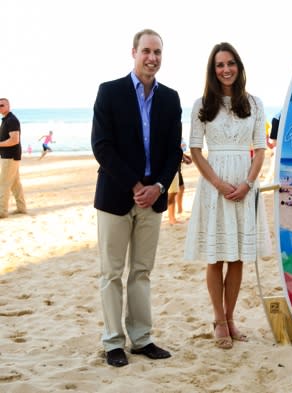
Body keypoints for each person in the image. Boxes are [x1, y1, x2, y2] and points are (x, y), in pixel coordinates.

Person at [91, 29, 182, 367]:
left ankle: (141, 338)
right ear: (134, 53)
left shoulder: (171, 98)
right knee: (111, 273)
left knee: (142, 272)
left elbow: (174, 151)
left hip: (154, 197)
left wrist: (158, 185)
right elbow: (102, 146)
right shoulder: (109, 92)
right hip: (116, 196)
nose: (152, 58)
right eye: (146, 51)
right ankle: (113, 342)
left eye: (158, 52)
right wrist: (134, 185)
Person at [184, 42, 270, 350]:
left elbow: (260, 150)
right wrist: (219, 184)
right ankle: (218, 320)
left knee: (237, 257)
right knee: (216, 254)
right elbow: (195, 150)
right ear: (212, 70)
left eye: (230, 63)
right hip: (214, 186)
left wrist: (248, 182)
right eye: (220, 65)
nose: (226, 69)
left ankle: (231, 318)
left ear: (239, 66)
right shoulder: (201, 105)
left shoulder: (255, 104)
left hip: (245, 186)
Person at [0, 98, 27, 219]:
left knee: (4, 184)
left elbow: (14, 140)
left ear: (8, 106)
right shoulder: (6, 120)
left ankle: (2, 211)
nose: (0, 107)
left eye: (2, 105)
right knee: (15, 184)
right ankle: (22, 208)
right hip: (9, 156)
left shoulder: (11, 120)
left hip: (10, 157)